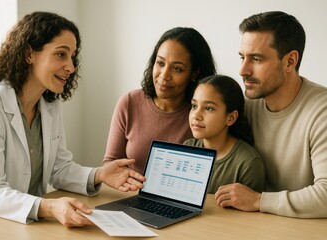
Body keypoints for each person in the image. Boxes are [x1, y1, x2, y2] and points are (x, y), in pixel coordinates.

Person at [0, 11, 145, 226]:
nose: (71, 67)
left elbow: (58, 169)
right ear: (29, 54)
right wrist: (49, 206)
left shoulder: (49, 105)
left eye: (72, 57)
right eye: (61, 54)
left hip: (31, 224)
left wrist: (99, 175)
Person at [215, 11, 327, 218]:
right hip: (254, 224)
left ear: (290, 61)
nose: (243, 70)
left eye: (256, 59)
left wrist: (258, 200)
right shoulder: (246, 106)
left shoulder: (322, 111)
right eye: (242, 57)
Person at [103, 27, 216, 174]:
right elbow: (111, 163)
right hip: (131, 193)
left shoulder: (202, 114)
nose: (164, 75)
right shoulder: (129, 102)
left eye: (177, 69)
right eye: (160, 63)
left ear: (194, 73)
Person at [184, 75, 265, 194]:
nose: (196, 115)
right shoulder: (187, 148)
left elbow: (250, 211)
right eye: (194, 106)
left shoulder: (248, 164)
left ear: (231, 118)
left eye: (209, 108)